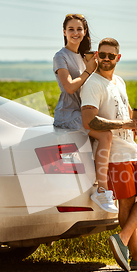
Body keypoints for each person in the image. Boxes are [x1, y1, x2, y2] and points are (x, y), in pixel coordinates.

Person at [81, 38, 137, 271]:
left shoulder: (119, 82)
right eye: (103, 55)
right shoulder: (92, 84)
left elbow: (131, 119)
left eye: (111, 56)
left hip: (133, 152)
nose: (106, 59)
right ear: (97, 56)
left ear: (118, 58)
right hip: (115, 155)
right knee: (126, 203)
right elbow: (90, 121)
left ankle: (123, 239)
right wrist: (122, 125)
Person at [53, 14, 117, 213]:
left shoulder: (84, 57)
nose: (75, 33)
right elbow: (69, 87)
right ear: (64, 32)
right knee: (105, 134)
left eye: (79, 29)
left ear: (84, 32)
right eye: (71, 29)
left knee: (111, 130)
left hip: (84, 111)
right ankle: (101, 189)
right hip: (68, 113)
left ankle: (109, 185)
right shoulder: (60, 57)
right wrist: (88, 71)